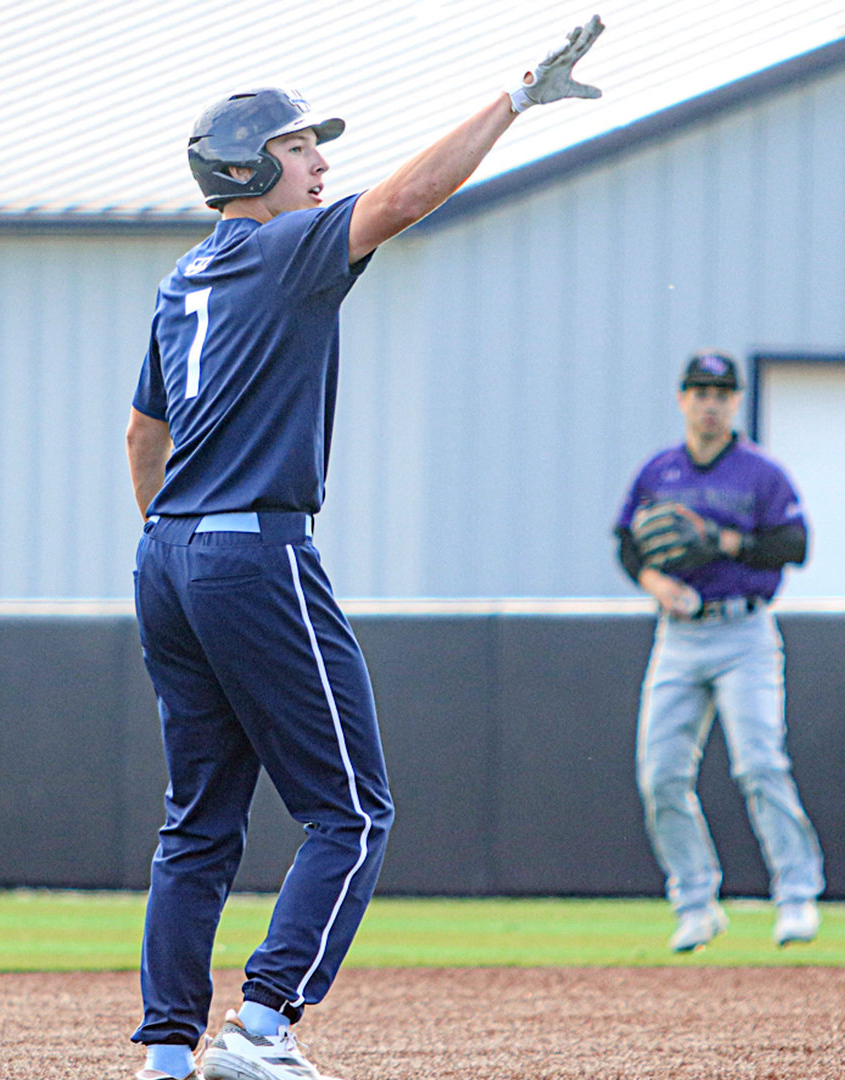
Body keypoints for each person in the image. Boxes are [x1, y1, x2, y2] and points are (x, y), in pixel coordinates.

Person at [122, 19, 605, 1080]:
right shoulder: (283, 251)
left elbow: (141, 439)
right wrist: (516, 98)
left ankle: (165, 1054)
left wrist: (177, 545)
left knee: (198, 821)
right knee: (352, 807)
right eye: (300, 148)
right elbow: (403, 200)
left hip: (169, 557)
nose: (321, 162)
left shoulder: (183, 280)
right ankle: (262, 1026)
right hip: (255, 552)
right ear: (248, 168)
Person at [612, 351, 825, 952]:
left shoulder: (761, 473)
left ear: (735, 402)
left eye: (721, 392)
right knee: (660, 775)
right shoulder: (659, 472)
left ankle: (796, 893)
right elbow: (627, 545)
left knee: (759, 764)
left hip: (744, 633)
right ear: (682, 399)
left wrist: (724, 540)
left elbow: (795, 544)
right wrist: (655, 583)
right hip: (678, 636)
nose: (710, 402)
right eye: (699, 391)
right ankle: (696, 901)